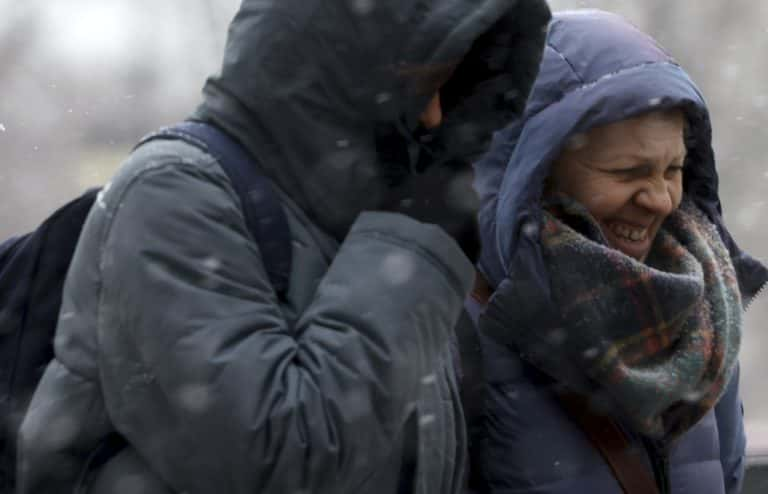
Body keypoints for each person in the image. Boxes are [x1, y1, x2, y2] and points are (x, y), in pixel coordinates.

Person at [16, 0, 552, 493]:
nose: (435, 116)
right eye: (418, 83)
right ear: (340, 69)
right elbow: (280, 464)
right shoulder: (173, 195)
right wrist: (410, 253)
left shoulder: (378, 218)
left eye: (450, 84)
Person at [468, 9, 768, 494]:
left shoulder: (706, 310)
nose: (662, 199)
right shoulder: (457, 330)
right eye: (628, 173)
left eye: (673, 170)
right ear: (537, 176)